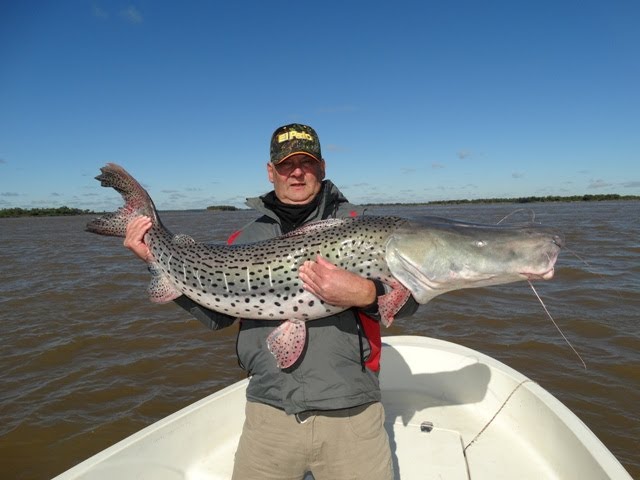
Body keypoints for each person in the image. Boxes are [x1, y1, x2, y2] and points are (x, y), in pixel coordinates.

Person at [124, 123, 418, 479]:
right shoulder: (244, 238)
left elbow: (413, 299)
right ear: (270, 171)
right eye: (285, 164)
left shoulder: (363, 226)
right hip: (269, 412)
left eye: (307, 162)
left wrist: (366, 294)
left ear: (322, 167)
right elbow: (218, 317)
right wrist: (155, 259)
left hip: (352, 412)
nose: (297, 172)